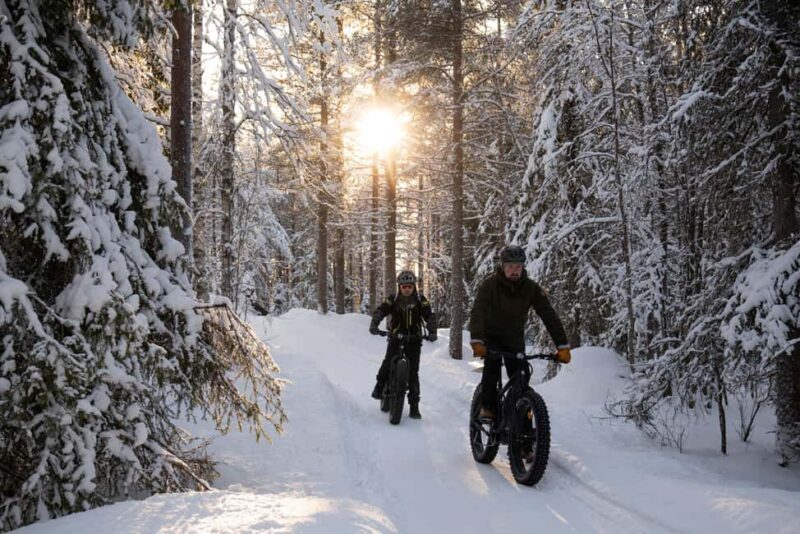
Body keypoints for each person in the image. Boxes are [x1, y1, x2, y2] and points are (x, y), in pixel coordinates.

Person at [469, 245, 571, 420]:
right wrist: (477, 341)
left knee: (521, 377)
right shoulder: (489, 285)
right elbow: (478, 311)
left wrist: (562, 345)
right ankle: (487, 407)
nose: (514, 271)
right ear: (502, 266)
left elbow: (549, 315)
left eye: (518, 266)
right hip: (491, 337)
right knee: (492, 370)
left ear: (523, 267)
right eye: (510, 266)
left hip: (514, 340)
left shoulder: (531, 288)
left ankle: (522, 428)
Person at [369, 270, 437, 419]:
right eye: (404, 286)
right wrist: (374, 324)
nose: (407, 289)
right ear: (399, 287)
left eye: (409, 286)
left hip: (414, 339)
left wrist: (432, 331)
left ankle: (414, 407)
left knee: (413, 373)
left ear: (414, 287)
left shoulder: (420, 300)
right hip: (395, 336)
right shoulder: (393, 299)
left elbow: (429, 316)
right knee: (388, 362)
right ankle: (379, 387)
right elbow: (381, 310)